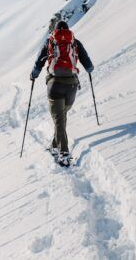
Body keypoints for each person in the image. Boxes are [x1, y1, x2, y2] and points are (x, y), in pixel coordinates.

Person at [30, 21, 94, 166]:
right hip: (71, 85)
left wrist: (34, 74)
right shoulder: (74, 42)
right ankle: (54, 146)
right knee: (61, 117)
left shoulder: (50, 41)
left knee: (59, 119)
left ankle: (64, 153)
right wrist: (89, 69)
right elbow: (88, 63)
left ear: (55, 30)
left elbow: (39, 61)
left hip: (55, 84)